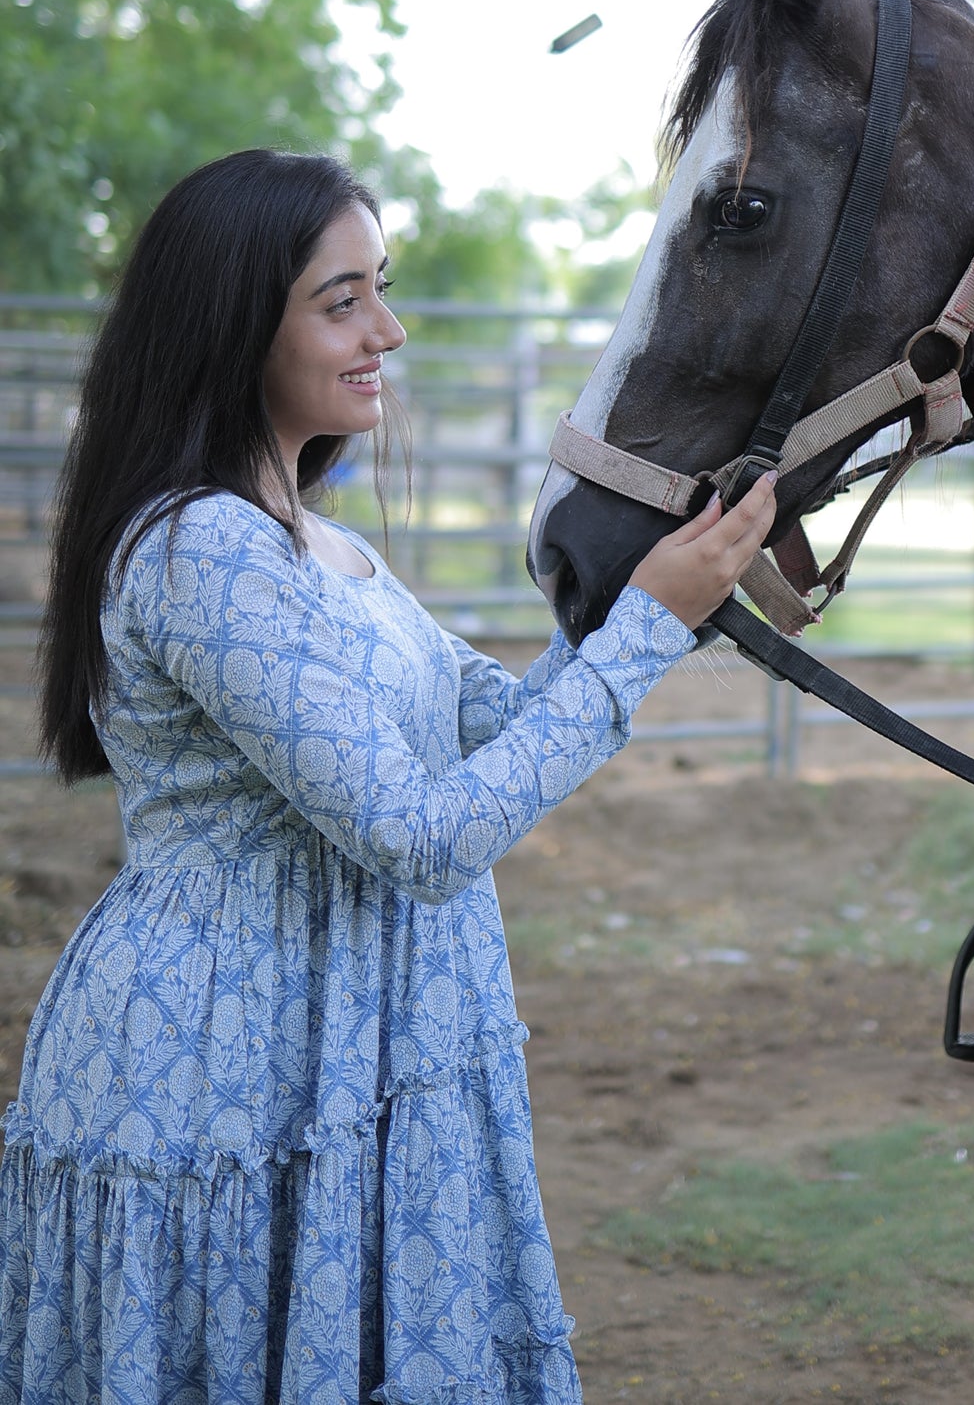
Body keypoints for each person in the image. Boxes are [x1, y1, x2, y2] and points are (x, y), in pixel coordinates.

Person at [0, 149, 775, 1405]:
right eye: (343, 299)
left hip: (334, 1034)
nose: (390, 331)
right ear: (233, 320)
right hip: (222, 1064)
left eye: (384, 290)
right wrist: (639, 632)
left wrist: (659, 582)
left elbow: (504, 727)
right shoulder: (203, 550)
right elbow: (421, 834)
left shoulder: (326, 550)